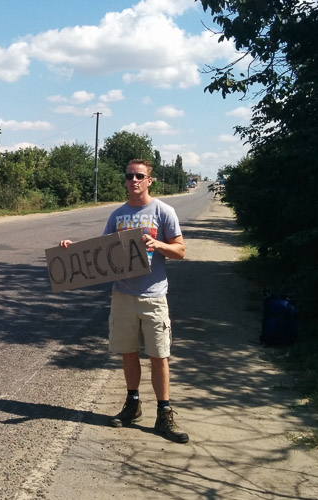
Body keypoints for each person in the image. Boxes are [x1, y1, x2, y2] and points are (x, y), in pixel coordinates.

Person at [59, 159, 188, 443]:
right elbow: (100, 252)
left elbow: (180, 250)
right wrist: (72, 251)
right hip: (122, 296)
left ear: (149, 180)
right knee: (128, 353)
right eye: (129, 176)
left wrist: (159, 245)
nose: (133, 180)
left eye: (139, 176)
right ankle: (132, 405)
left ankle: (164, 414)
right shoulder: (118, 215)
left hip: (153, 297)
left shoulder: (163, 211)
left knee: (159, 357)